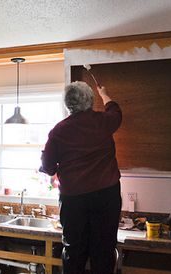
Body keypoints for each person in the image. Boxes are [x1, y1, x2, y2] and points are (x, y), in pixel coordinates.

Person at [40, 81, 122, 274]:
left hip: (74, 200)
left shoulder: (59, 131)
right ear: (91, 101)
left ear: (68, 104)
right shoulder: (103, 121)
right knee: (103, 252)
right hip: (106, 197)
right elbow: (116, 112)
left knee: (74, 252)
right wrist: (105, 95)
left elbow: (48, 167)